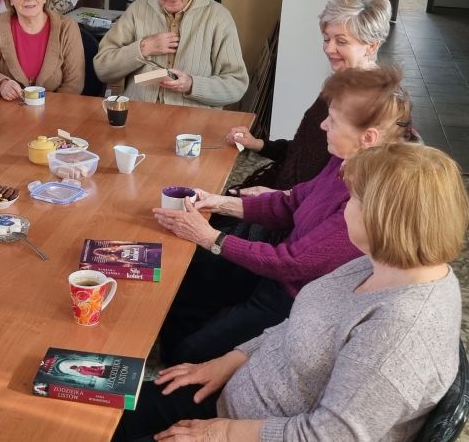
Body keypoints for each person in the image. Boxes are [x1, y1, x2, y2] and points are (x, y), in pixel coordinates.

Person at [117, 143, 466, 441]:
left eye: (353, 201)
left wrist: (220, 432)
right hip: (235, 394)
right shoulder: (380, 262)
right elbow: (302, 320)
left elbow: (327, 436)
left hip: (246, 431)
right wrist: (231, 360)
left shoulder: (400, 331)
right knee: (92, 406)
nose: (342, 211)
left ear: (385, 219)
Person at [152, 65, 413, 366]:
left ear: (367, 137)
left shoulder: (366, 198)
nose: (323, 126)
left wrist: (209, 236)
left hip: (295, 301)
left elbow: (292, 263)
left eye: (334, 120)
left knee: (192, 352)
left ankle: (182, 383)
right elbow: (292, 203)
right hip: (276, 277)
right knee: (190, 277)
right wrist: (217, 202)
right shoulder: (346, 161)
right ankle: (174, 367)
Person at [227, 0, 392, 194]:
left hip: (298, 210)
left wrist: (279, 199)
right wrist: (258, 144)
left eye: (341, 41)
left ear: (372, 46)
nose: (329, 49)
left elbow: (338, 192)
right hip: (285, 193)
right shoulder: (338, 86)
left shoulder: (378, 102)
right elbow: (304, 151)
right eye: (326, 39)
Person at [93, 0, 248, 108]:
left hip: (192, 123)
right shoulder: (137, 11)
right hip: (138, 115)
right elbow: (102, 69)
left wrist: (191, 85)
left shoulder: (219, 18)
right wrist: (143, 48)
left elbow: (236, 86)